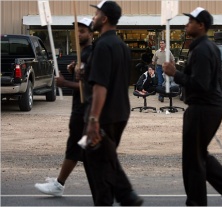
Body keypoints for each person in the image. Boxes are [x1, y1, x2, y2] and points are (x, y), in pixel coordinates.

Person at [162, 7, 222, 206]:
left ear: (201, 25)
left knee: (194, 159)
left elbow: (201, 84)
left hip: (204, 107)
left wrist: (175, 74)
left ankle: (198, 201)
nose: (186, 25)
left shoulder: (202, 49)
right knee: (197, 155)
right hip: (206, 107)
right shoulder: (204, 47)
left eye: (190, 21)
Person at [83, 1, 143, 205]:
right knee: (102, 160)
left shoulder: (102, 46)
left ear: (105, 18)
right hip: (120, 114)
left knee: (100, 168)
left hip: (104, 116)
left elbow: (101, 86)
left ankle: (127, 195)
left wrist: (93, 119)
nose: (93, 17)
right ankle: (126, 195)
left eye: (96, 13)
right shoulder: (121, 46)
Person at [34, 18, 93, 196]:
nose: (78, 34)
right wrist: (72, 70)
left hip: (84, 111)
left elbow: (90, 86)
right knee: (80, 150)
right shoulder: (82, 54)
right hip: (78, 110)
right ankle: (61, 183)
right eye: (77, 30)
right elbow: (82, 78)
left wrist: (65, 82)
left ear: (91, 33)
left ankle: (59, 184)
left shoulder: (92, 54)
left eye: (82, 31)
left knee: (79, 150)